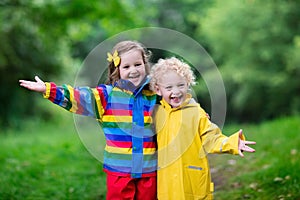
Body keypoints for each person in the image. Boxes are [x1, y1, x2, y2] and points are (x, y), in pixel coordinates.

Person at [19, 40, 158, 200]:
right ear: (117, 70)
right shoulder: (107, 96)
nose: (133, 70)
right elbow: (78, 97)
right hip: (119, 172)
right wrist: (49, 90)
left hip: (148, 171)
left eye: (137, 64)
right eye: (126, 67)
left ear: (145, 65)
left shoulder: (155, 96)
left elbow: (174, 100)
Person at [149, 57, 256, 200]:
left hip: (192, 182)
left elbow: (211, 138)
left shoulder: (196, 112)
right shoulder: (156, 114)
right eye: (169, 87)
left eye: (181, 85)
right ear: (158, 89)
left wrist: (232, 143)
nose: (176, 91)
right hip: (167, 185)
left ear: (188, 84)